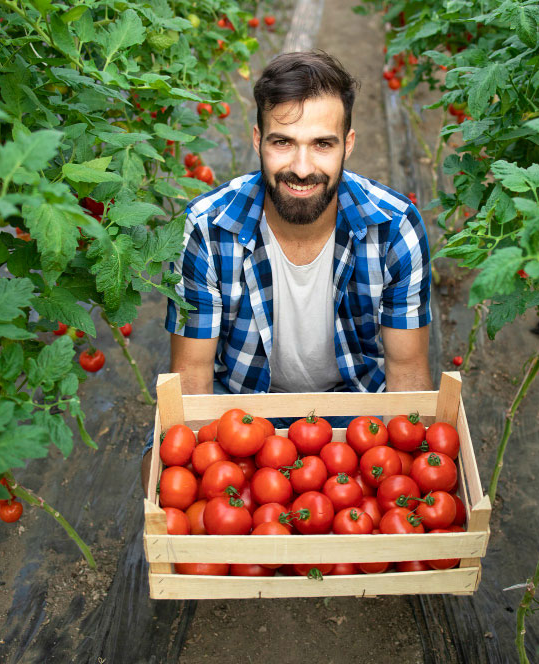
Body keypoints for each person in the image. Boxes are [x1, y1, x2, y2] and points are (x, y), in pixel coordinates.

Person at [141, 50, 432, 483]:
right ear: (258, 140)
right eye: (283, 142)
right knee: (159, 467)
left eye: (322, 144)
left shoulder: (393, 228)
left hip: (353, 409)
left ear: (347, 144)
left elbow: (406, 370)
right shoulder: (207, 229)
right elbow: (194, 375)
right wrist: (201, 483)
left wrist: (407, 472)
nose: (301, 168)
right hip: (240, 408)